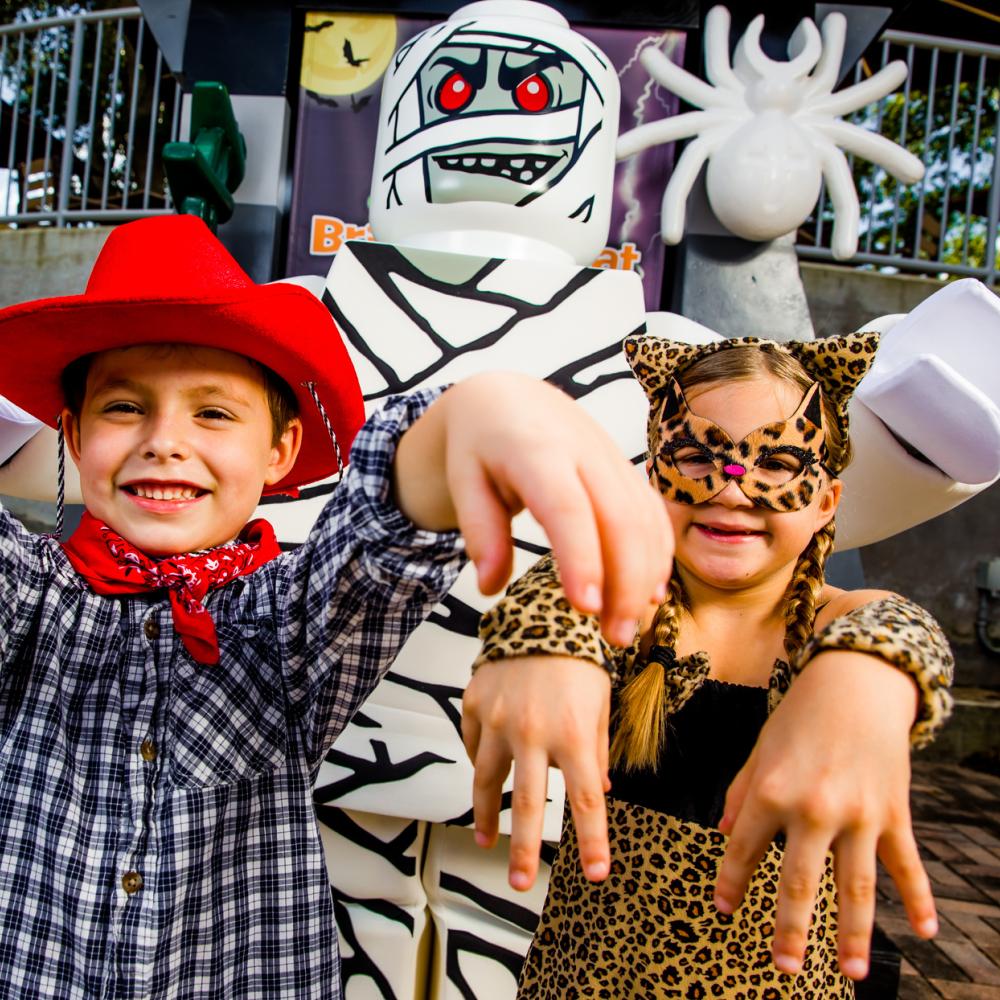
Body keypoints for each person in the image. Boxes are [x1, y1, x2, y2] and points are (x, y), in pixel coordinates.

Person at [0, 214, 673, 999]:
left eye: (213, 413)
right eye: (125, 409)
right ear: (74, 439)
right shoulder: (31, 598)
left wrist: (475, 413)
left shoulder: (286, 624)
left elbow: (379, 538)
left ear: (280, 452)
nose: (165, 441)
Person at [465, 332, 954, 997]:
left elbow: (897, 629)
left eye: (777, 463)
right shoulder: (625, 606)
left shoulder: (837, 625)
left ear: (826, 501)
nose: (730, 486)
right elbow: (565, 585)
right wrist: (542, 636)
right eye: (695, 456)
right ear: (653, 478)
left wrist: (863, 684)